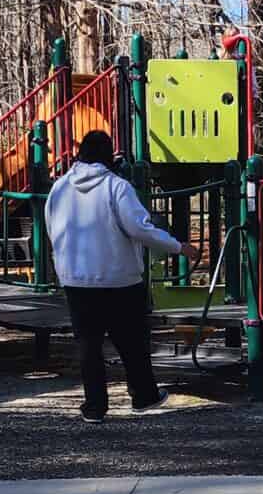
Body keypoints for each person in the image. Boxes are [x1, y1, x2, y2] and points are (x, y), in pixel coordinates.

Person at [45, 129, 185, 419]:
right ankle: (143, 395)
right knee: (131, 341)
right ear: (109, 156)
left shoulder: (59, 188)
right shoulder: (116, 187)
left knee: (88, 345)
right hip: (119, 277)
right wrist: (176, 246)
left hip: (76, 278)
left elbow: (51, 226)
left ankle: (95, 406)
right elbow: (139, 228)